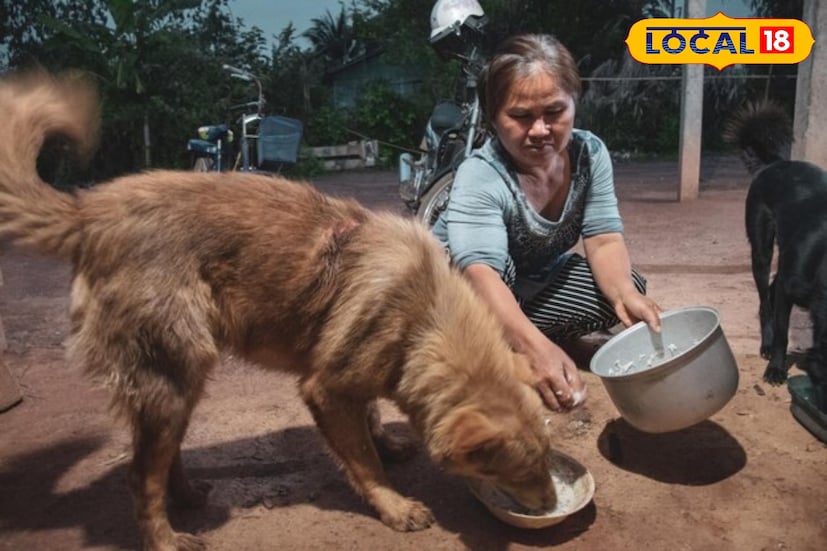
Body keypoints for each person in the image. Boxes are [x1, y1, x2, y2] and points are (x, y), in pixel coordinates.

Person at [432, 33, 663, 412]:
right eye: (521, 116)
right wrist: (536, 350)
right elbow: (480, 274)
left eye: (554, 112)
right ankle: (507, 353)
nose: (540, 130)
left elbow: (604, 240)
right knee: (493, 269)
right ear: (493, 118)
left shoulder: (590, 154)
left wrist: (624, 296)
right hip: (462, 299)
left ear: (574, 104)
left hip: (525, 287)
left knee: (625, 290)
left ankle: (521, 341)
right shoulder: (481, 174)